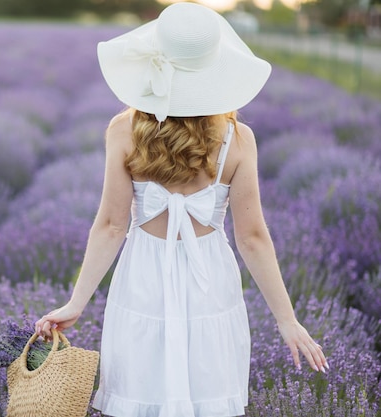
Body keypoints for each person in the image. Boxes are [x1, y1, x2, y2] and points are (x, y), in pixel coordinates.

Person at [35, 3, 328, 417]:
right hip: (209, 281)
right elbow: (252, 237)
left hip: (142, 277)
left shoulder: (124, 130)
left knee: (139, 394)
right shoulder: (238, 140)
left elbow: (111, 225)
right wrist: (287, 320)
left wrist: (76, 303)